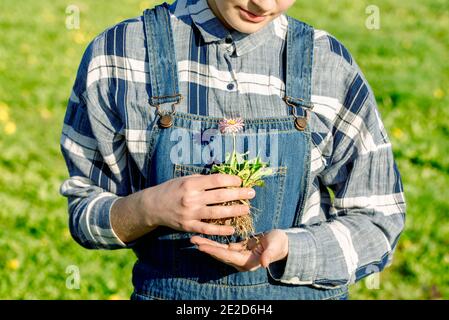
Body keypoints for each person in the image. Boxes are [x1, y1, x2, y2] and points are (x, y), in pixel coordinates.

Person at [59, 0, 406, 300]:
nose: (265, 6)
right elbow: (84, 211)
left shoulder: (328, 64)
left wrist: (289, 249)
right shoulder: (119, 54)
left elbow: (379, 220)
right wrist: (148, 208)